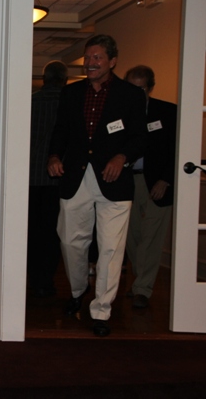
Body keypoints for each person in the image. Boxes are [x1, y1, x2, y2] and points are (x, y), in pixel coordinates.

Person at [47, 35, 147, 337]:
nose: (90, 63)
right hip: (76, 179)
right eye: (88, 58)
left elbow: (140, 137)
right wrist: (54, 156)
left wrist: (122, 157)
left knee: (111, 248)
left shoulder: (130, 95)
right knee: (70, 241)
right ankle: (78, 290)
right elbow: (61, 130)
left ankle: (101, 309)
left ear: (112, 61)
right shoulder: (71, 93)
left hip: (114, 182)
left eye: (97, 58)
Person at [124, 65, 177, 309]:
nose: (136, 94)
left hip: (158, 183)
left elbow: (177, 150)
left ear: (150, 88)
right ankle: (140, 280)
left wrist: (165, 179)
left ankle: (142, 289)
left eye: (141, 89)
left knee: (151, 237)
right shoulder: (120, 114)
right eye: (131, 88)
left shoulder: (167, 112)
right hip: (128, 181)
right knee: (131, 235)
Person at [27, 60, 68, 298]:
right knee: (53, 233)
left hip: (30, 178)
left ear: (44, 79)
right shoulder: (68, 102)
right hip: (58, 178)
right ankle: (46, 280)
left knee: (31, 231)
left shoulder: (30, 102)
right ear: (64, 79)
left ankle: (33, 278)